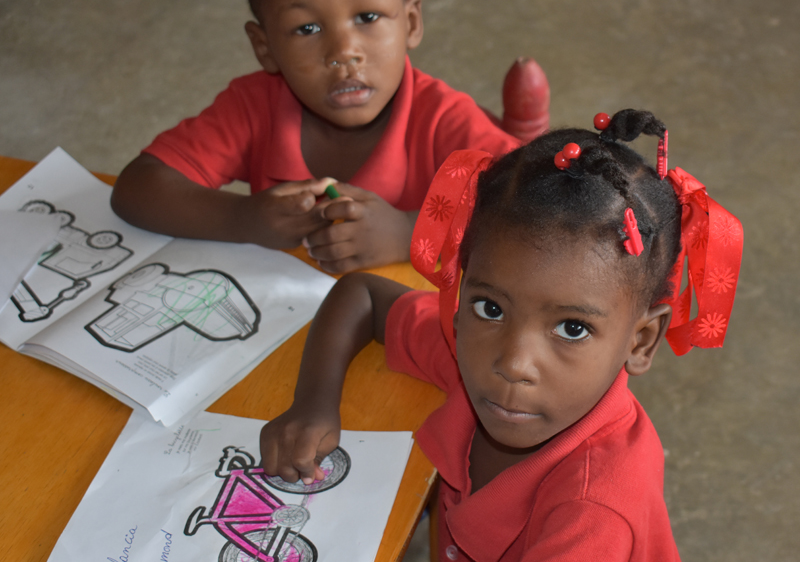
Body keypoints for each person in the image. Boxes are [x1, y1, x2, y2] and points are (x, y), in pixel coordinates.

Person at [259, 109, 743, 560]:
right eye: (491, 306)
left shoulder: (592, 517)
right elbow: (363, 295)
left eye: (572, 328)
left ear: (640, 340)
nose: (513, 362)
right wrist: (313, 404)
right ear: (460, 286)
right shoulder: (467, 346)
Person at [110, 0, 549, 273]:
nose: (343, 53)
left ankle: (521, 129)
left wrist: (406, 233)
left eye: (367, 17)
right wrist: (243, 219)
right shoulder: (253, 105)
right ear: (264, 47)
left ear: (411, 22)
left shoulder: (441, 118)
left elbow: (541, 209)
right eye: (307, 29)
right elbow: (137, 188)